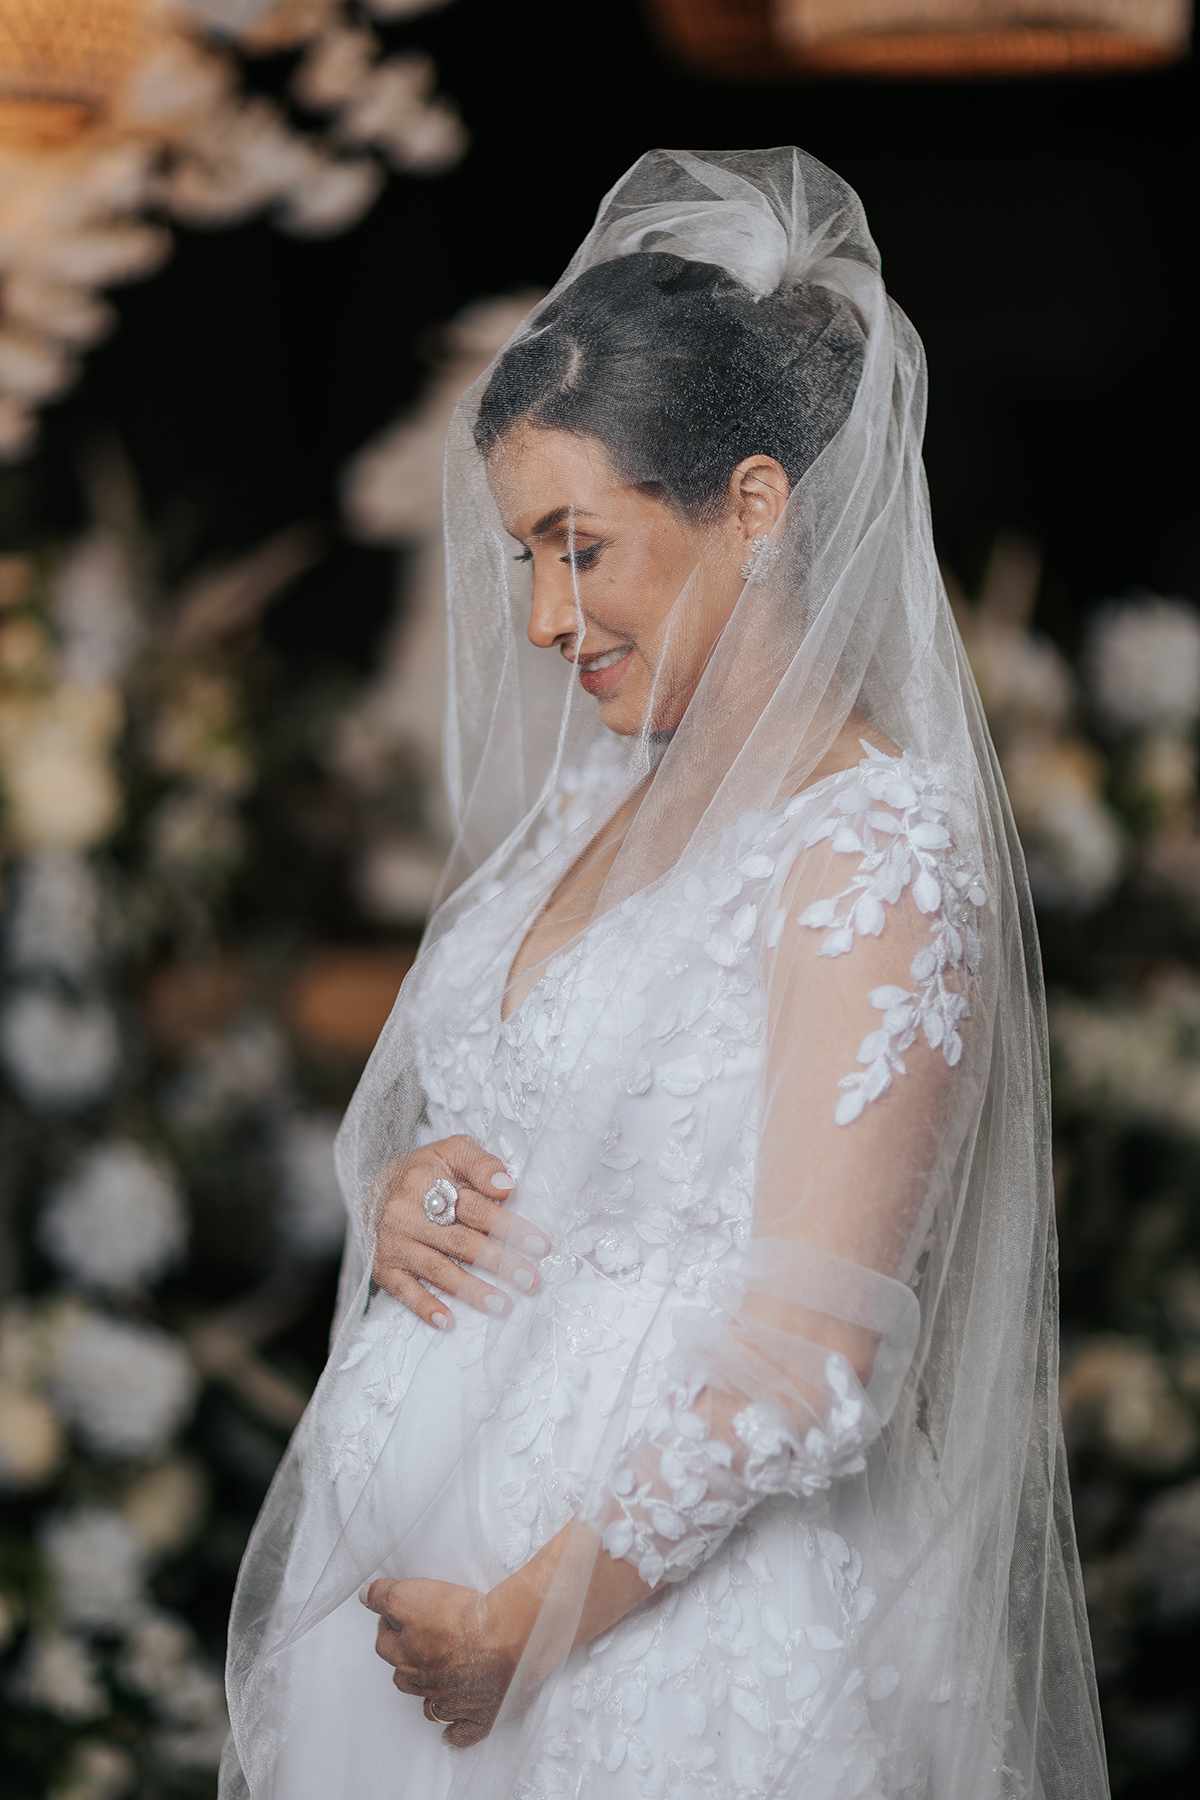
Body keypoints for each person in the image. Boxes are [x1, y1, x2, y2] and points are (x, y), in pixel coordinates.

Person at [221, 148, 1107, 1800]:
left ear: (754, 505)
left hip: (666, 1651)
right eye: (521, 560)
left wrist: (525, 1622)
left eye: (583, 547)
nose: (550, 618)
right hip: (425, 1620)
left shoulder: (870, 851)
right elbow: (510, 1099)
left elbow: (816, 1350)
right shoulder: (587, 799)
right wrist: (407, 1184)